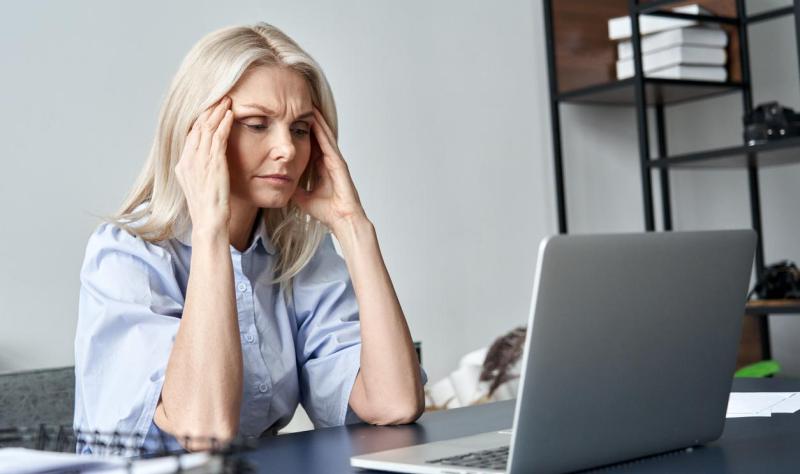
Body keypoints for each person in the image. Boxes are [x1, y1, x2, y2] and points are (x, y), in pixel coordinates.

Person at [74, 22, 426, 453]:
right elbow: (203, 429)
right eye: (257, 124)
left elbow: (394, 403)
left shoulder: (297, 253)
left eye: (299, 129)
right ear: (197, 132)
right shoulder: (126, 255)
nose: (288, 150)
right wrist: (210, 230)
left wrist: (353, 227)